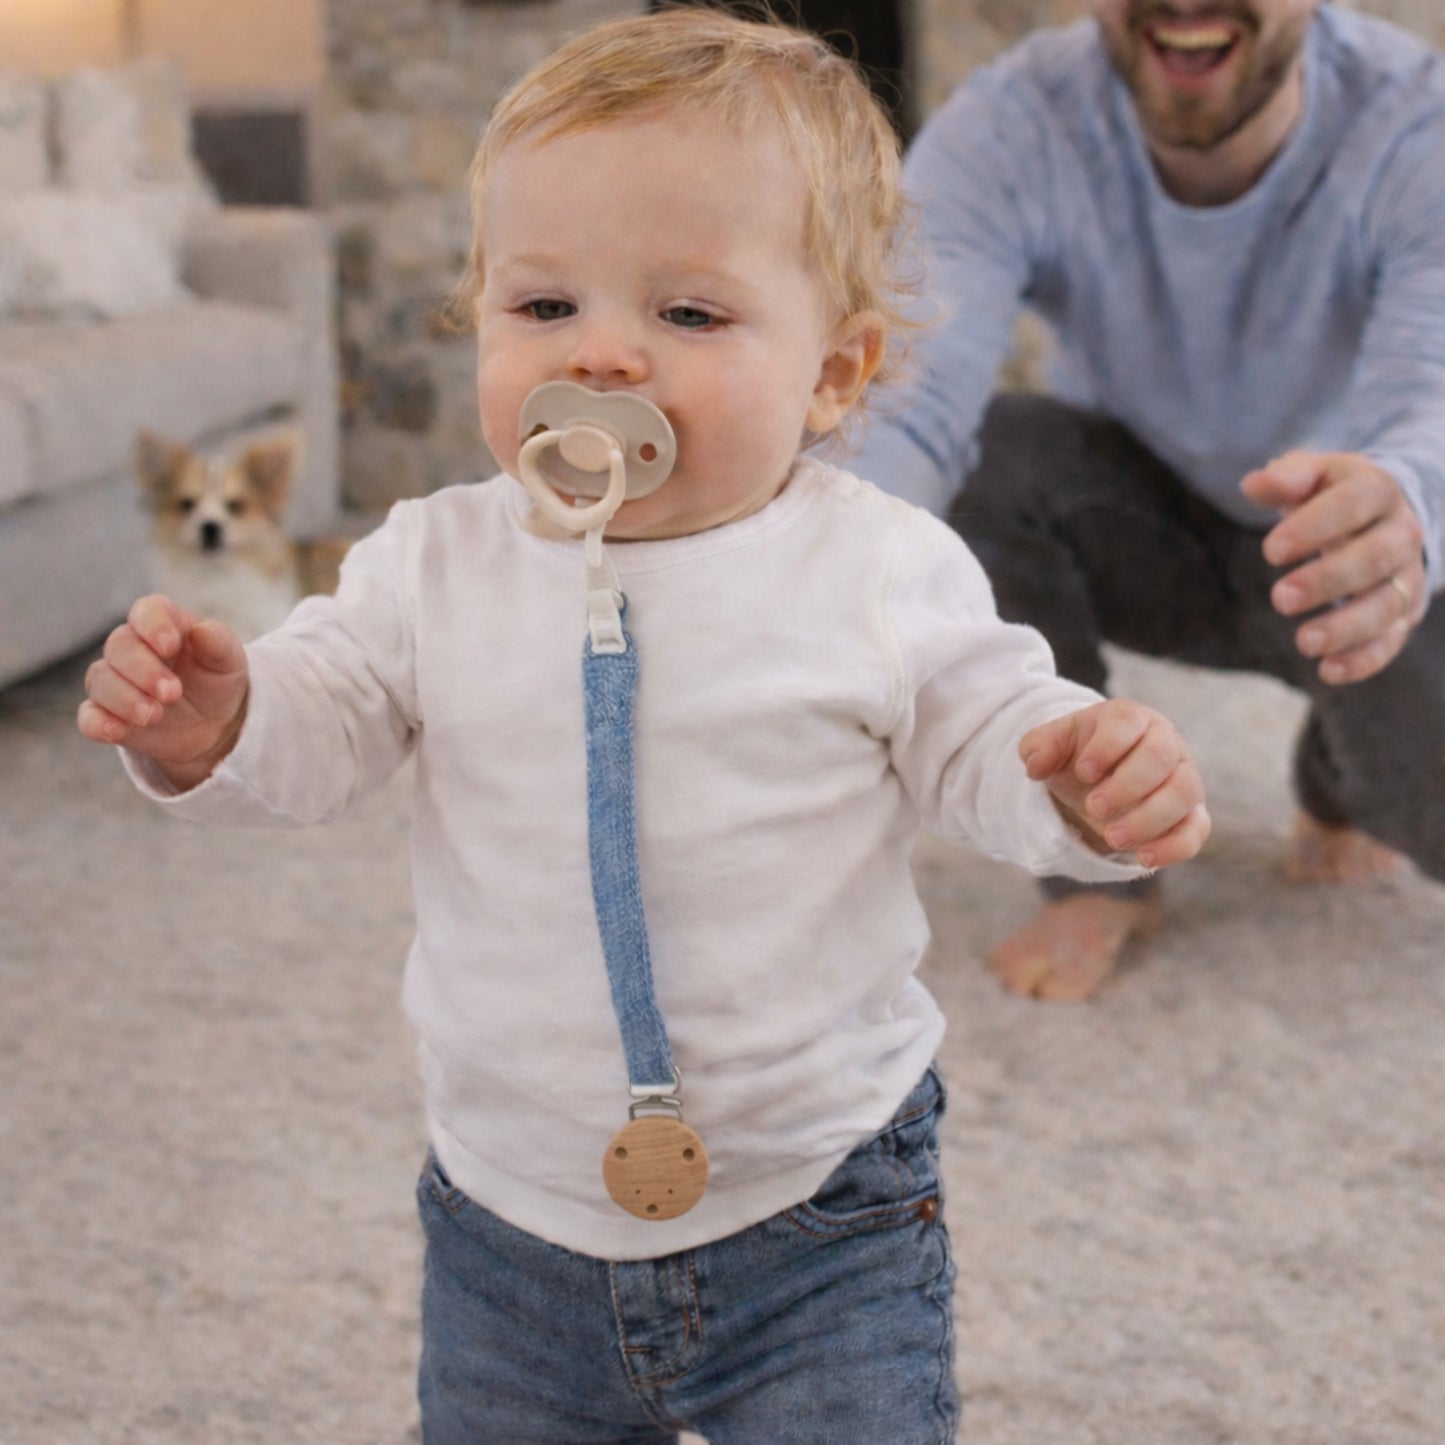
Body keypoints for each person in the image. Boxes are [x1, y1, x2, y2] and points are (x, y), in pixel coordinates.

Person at [77, 11, 1210, 1439]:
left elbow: (983, 725)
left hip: (825, 1217)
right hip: (510, 1225)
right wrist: (219, 725)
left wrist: (1070, 782)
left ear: (836, 374)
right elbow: (327, 715)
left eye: (686, 313)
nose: (603, 357)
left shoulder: (873, 564)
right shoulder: (436, 560)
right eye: (545, 307)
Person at [848, 0, 1445, 1004]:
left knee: (1414, 792)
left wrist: (1406, 501)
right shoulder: (1014, 122)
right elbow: (904, 402)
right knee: (989, 457)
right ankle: (1097, 861)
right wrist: (814, 587)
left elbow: (1428, 393)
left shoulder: (1413, 125)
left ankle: (1335, 776)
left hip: (1359, 556)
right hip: (1144, 523)